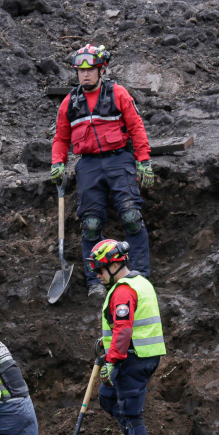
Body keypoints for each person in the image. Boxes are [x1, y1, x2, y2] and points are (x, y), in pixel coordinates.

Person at [50, 44, 156, 299]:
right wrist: (57, 163)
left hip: (119, 159)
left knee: (131, 215)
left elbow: (137, 127)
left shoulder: (117, 94)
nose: (85, 75)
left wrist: (144, 161)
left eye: (90, 70)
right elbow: (61, 138)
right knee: (91, 224)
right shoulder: (70, 103)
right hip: (88, 164)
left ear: (101, 70)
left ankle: (139, 274)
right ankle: (95, 282)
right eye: (80, 71)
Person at [87, 239, 165, 435]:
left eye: (100, 270)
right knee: (107, 398)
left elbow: (123, 330)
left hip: (132, 358)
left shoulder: (123, 289)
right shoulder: (140, 282)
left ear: (114, 265)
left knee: (131, 414)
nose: (97, 275)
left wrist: (112, 360)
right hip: (139, 355)